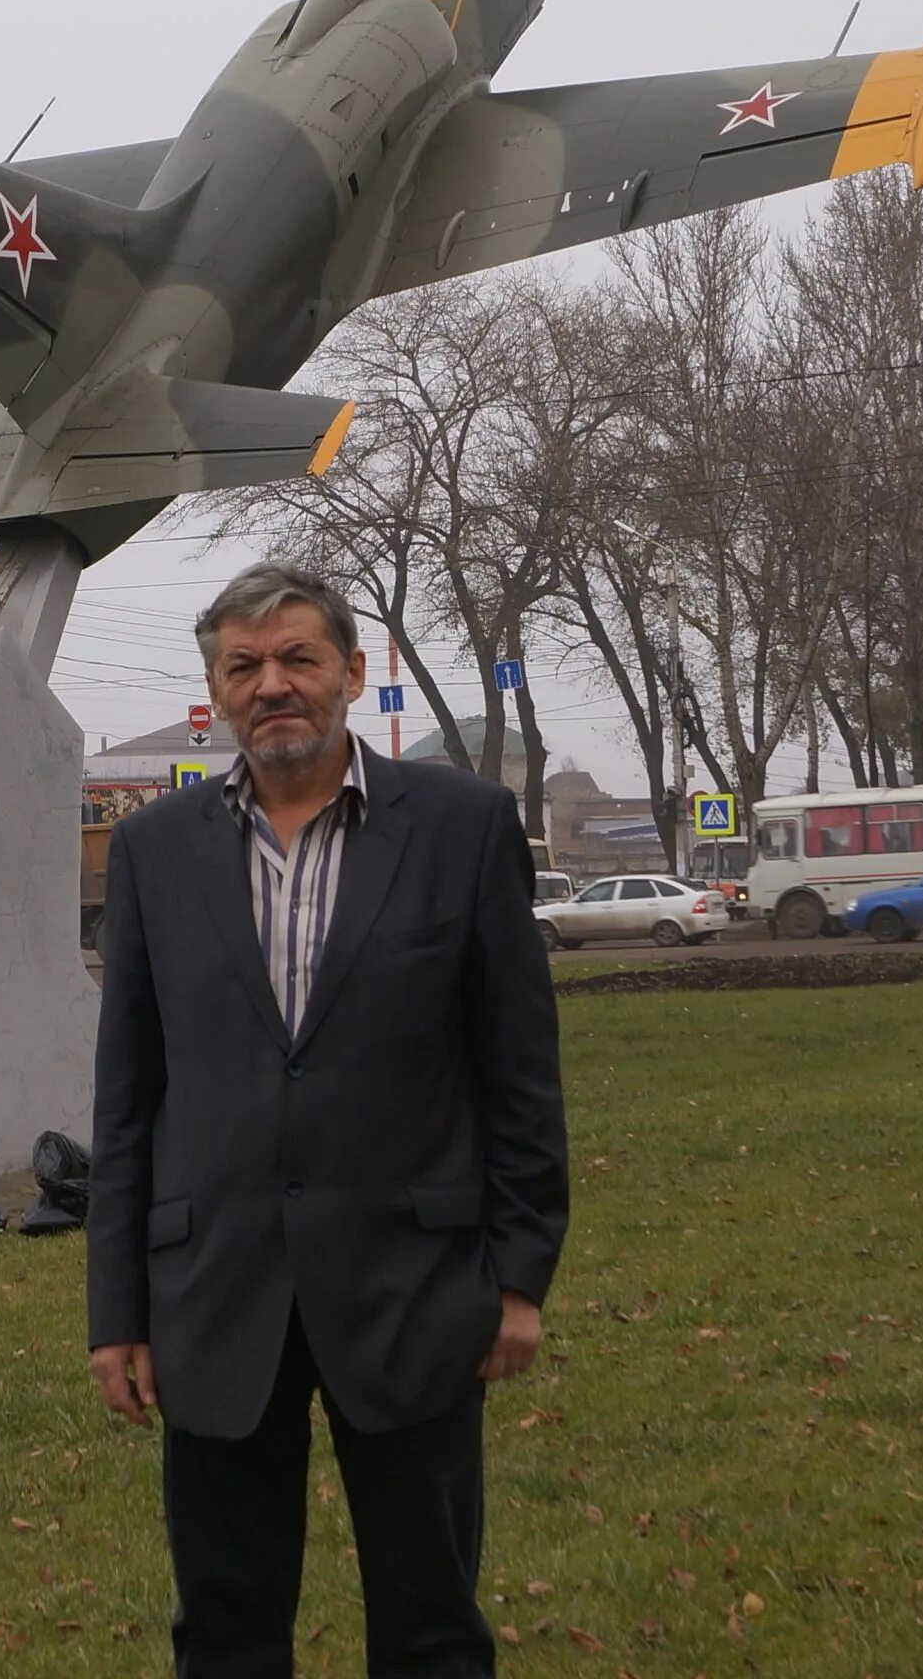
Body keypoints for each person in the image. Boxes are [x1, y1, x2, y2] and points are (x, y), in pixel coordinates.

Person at [87, 560, 568, 1677]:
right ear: (215, 695)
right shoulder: (155, 852)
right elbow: (128, 1100)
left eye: (299, 658)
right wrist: (118, 1312)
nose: (274, 685)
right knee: (224, 1630)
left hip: (415, 1290)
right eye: (243, 667)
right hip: (213, 1296)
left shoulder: (461, 826)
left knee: (432, 1625)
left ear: (351, 672)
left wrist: (519, 1276)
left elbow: (518, 1074)